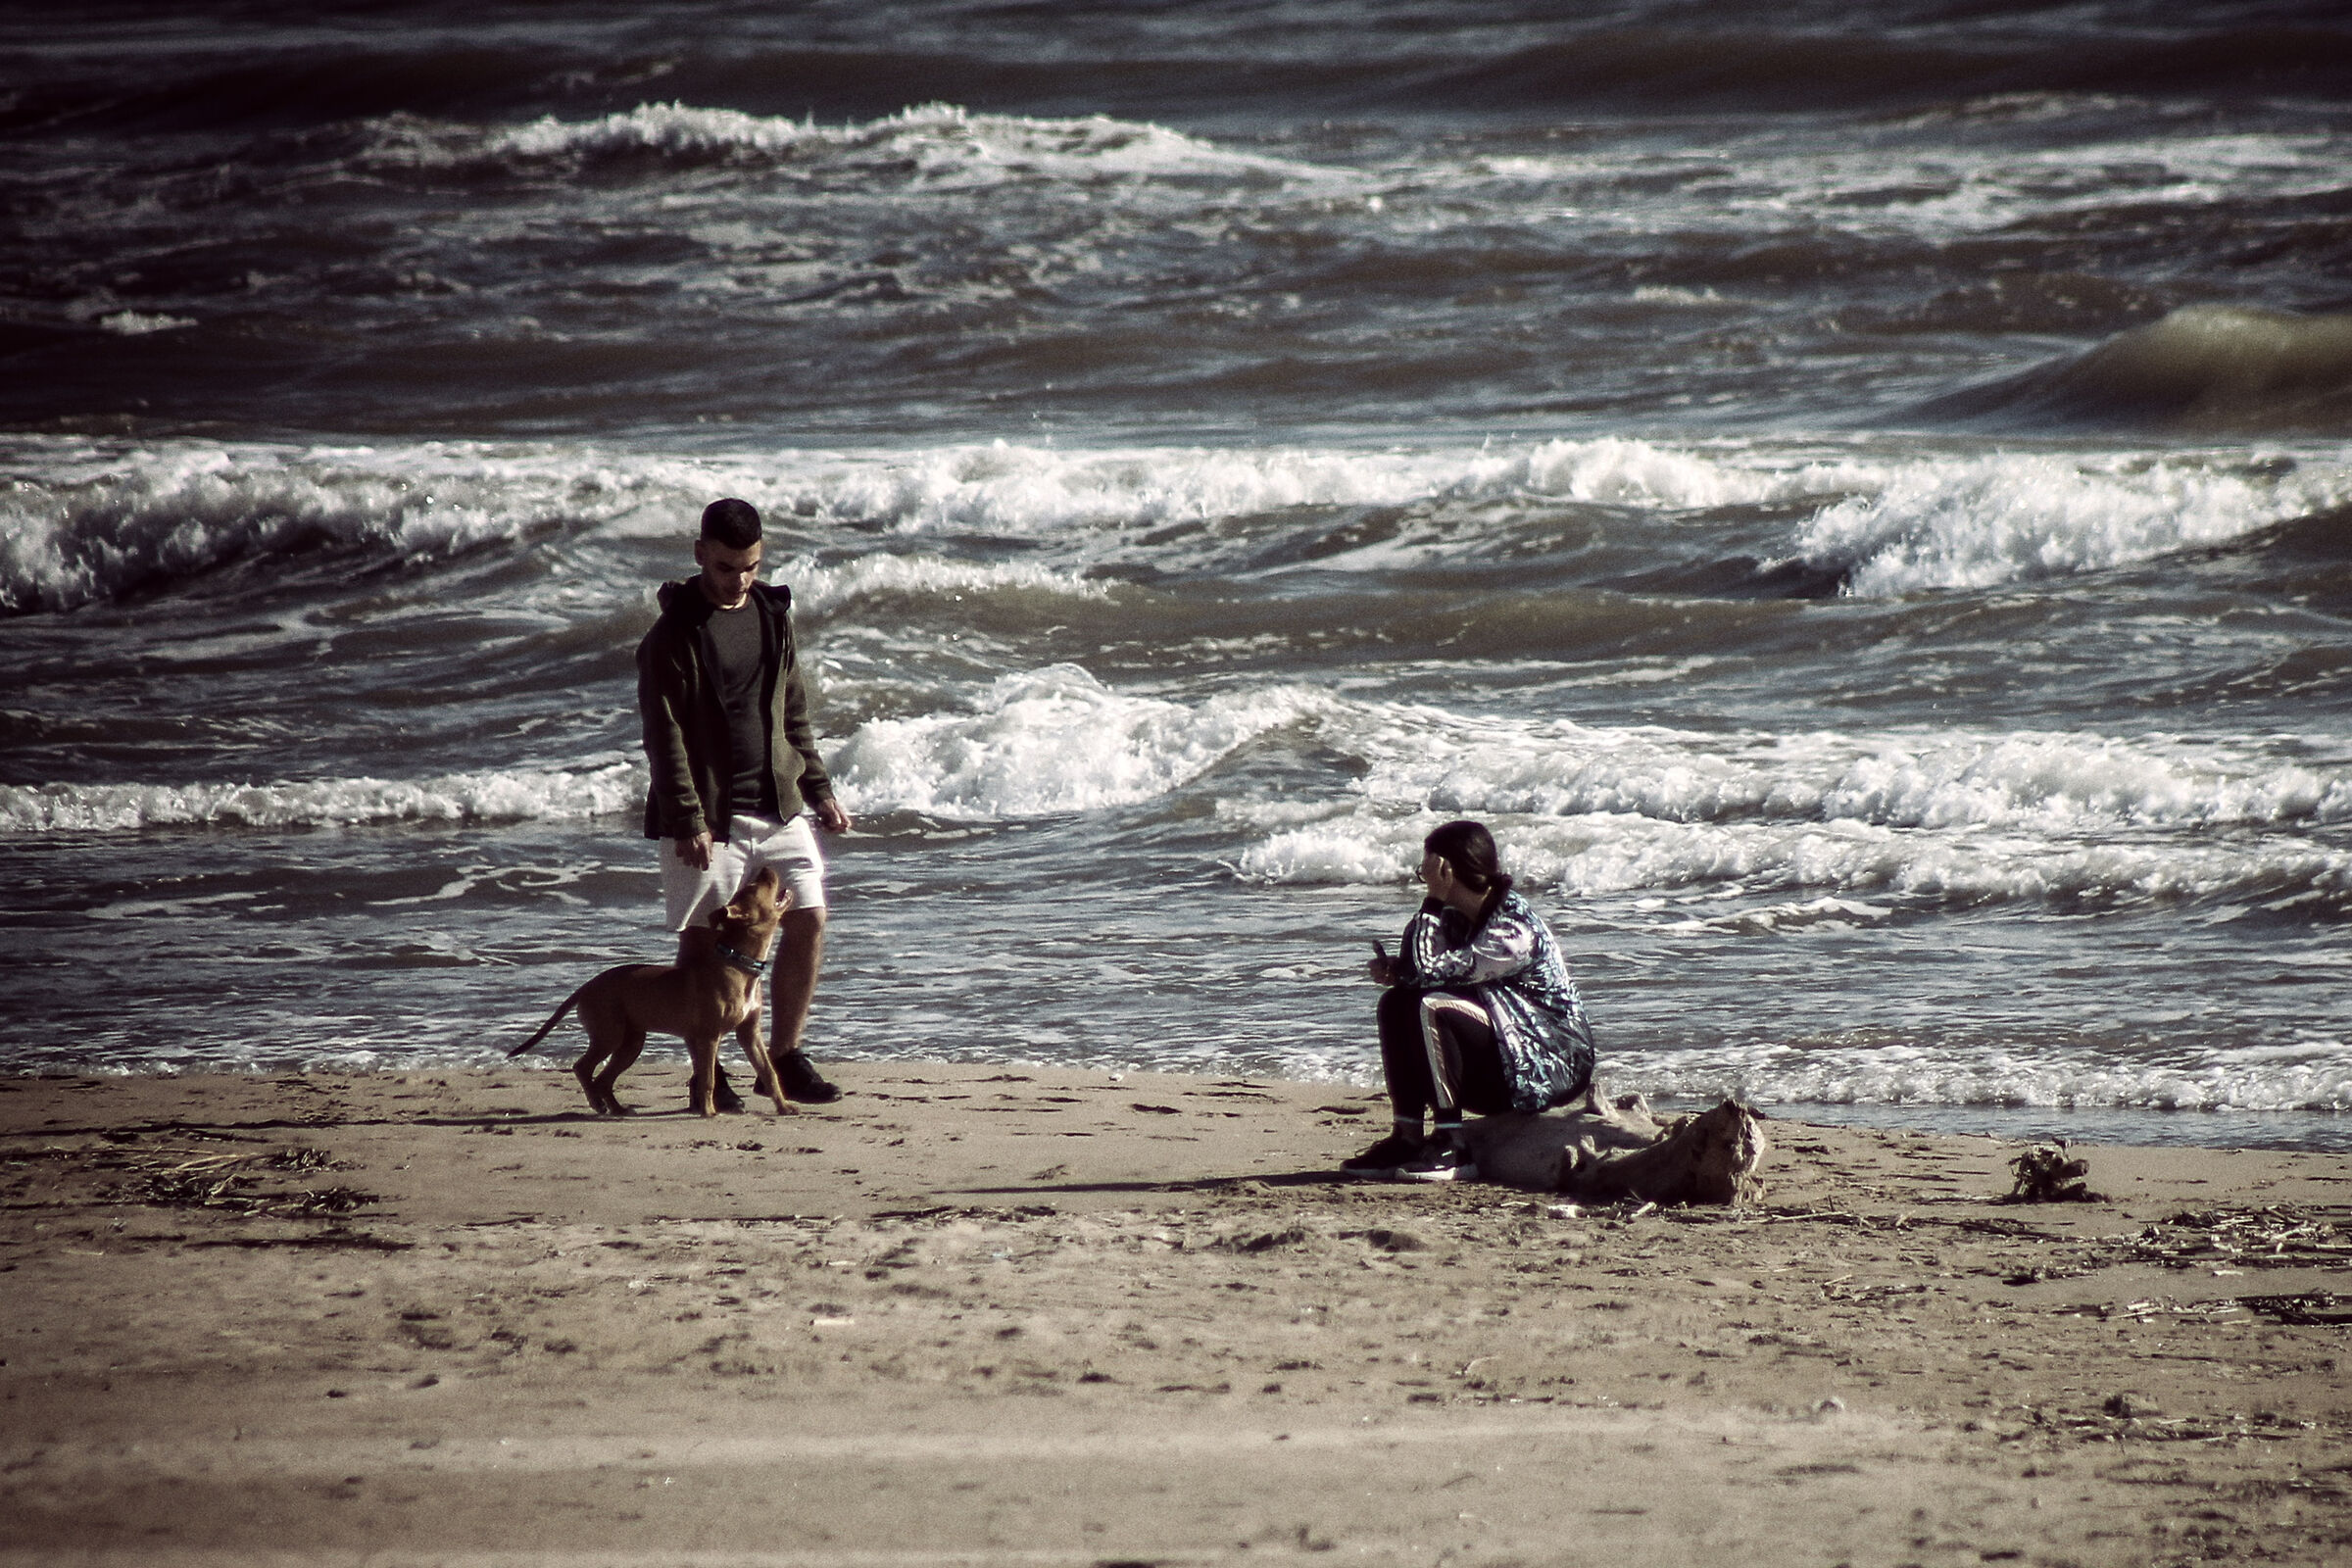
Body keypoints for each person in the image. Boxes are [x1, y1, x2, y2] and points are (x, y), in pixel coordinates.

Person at [637, 497, 852, 1109]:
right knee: (703, 942)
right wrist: (686, 817)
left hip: (777, 804)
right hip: (709, 815)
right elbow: (664, 731)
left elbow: (794, 712)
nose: (740, 579)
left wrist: (820, 788)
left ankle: (781, 1057)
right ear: (700, 554)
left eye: (751, 565)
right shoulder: (672, 635)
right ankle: (709, 1071)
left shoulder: (772, 614)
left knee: (807, 916)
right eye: (728, 566)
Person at [1343, 819, 1596, 1182]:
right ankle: (1407, 1135)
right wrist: (1398, 971)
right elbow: (1424, 968)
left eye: (1427, 871)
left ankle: (1453, 1145)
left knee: (1433, 1007)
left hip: (1546, 1064)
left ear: (1449, 870)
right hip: (1503, 1048)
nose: (1424, 879)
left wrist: (1432, 899)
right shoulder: (1458, 918)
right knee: (1397, 1003)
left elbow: (1434, 973)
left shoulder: (1512, 929)